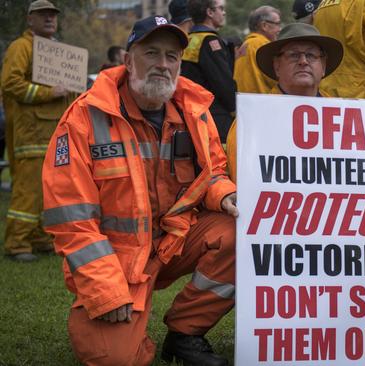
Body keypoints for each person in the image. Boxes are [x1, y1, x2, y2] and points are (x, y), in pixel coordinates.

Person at [42, 16, 238, 366]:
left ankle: (185, 332)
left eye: (172, 57)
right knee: (116, 359)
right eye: (151, 53)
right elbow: (71, 221)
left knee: (241, 233)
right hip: (117, 260)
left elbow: (212, 172)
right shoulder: (83, 119)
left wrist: (223, 193)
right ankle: (130, 328)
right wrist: (105, 290)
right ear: (128, 60)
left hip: (174, 242)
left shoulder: (194, 113)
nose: (163, 65)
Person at [1, 0, 75, 262]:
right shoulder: (21, 47)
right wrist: (49, 92)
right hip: (31, 132)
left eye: (52, 15)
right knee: (28, 188)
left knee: (49, 189)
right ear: (29, 19)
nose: (49, 19)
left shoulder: (57, 52)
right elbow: (10, 83)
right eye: (42, 15)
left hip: (55, 131)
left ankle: (41, 238)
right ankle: (17, 242)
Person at [226, 23, 342, 183]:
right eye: (294, 55)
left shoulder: (344, 117)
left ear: (323, 67)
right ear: (277, 66)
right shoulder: (252, 120)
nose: (303, 61)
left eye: (311, 55)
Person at [182, 0, 236, 144]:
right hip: (214, 117)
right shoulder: (210, 41)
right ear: (210, 12)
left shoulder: (187, 40)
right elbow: (223, 83)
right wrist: (235, 108)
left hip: (191, 113)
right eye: (221, 8)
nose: (224, 12)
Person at [233, 6, 282, 94]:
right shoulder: (263, 45)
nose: (280, 29)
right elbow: (278, 79)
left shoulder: (246, 45)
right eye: (277, 24)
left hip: (243, 102)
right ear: (264, 26)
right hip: (261, 102)